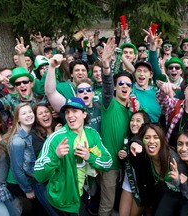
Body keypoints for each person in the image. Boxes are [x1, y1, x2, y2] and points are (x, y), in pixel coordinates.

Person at [34, 97, 112, 215]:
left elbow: (108, 162)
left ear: (84, 114)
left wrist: (89, 157)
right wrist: (56, 156)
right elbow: (39, 175)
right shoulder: (56, 138)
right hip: (62, 200)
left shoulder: (92, 134)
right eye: (67, 112)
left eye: (75, 111)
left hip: (81, 194)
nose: (70, 115)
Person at [98, 36, 138, 216]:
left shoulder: (132, 112)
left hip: (127, 164)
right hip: (110, 166)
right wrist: (106, 65)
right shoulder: (109, 104)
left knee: (120, 203)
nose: (124, 86)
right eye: (120, 83)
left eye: (128, 84)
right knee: (106, 204)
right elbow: (106, 84)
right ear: (115, 87)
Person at [129, 123, 188, 215]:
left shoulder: (173, 159)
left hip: (187, 197)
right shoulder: (147, 155)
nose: (151, 141)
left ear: (162, 140)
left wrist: (177, 180)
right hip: (170, 193)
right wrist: (134, 142)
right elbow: (135, 139)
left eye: (156, 137)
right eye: (147, 137)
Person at [4, 103, 47, 215]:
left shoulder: (30, 134)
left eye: (30, 112)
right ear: (18, 119)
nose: (28, 115)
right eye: (24, 113)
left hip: (28, 180)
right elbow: (17, 169)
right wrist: (27, 190)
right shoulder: (18, 140)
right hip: (17, 183)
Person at [118, 110, 151, 216]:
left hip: (142, 187)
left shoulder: (149, 140)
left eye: (138, 120)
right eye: (132, 120)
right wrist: (122, 156)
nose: (134, 123)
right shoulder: (127, 138)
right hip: (128, 183)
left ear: (145, 123)